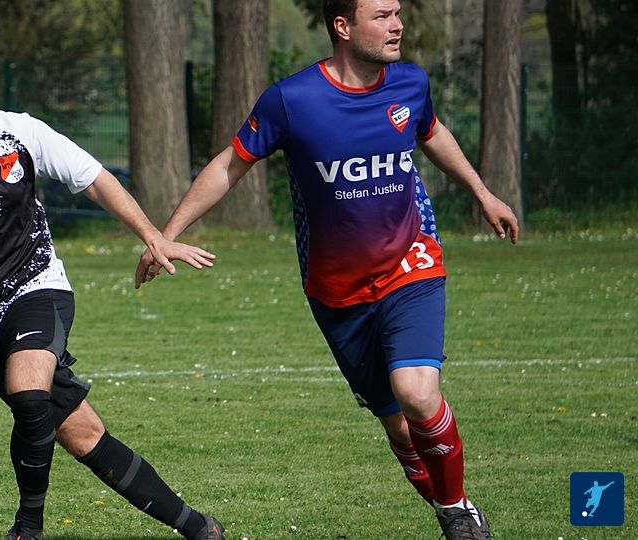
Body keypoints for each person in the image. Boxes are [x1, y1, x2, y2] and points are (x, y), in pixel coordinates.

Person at [136, 1, 519, 538]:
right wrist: (166, 235)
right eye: (381, 16)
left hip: (411, 262)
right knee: (399, 427)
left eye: (397, 13)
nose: (397, 24)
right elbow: (229, 165)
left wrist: (482, 192)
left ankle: (458, 512)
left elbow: (431, 133)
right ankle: (446, 506)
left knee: (417, 393)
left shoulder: (410, 84)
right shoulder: (293, 100)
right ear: (343, 27)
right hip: (336, 291)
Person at [0, 38, 223, 540]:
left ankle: (27, 528)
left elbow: (95, 179)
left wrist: (153, 236)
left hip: (38, 286)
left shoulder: (20, 130)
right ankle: (200, 528)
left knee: (28, 391)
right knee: (84, 435)